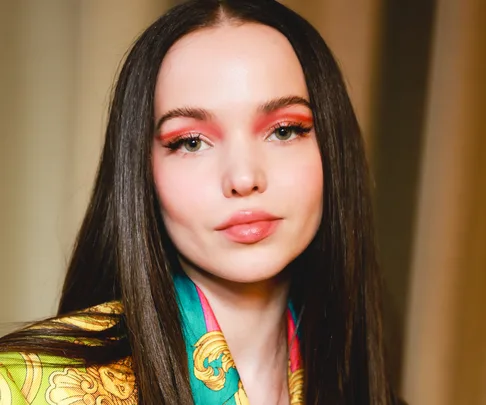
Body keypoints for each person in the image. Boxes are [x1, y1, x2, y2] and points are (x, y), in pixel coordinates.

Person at [0, 0, 401, 404]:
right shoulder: (23, 388)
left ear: (332, 149)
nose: (244, 178)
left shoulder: (362, 383)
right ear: (142, 172)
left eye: (284, 131)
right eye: (191, 142)